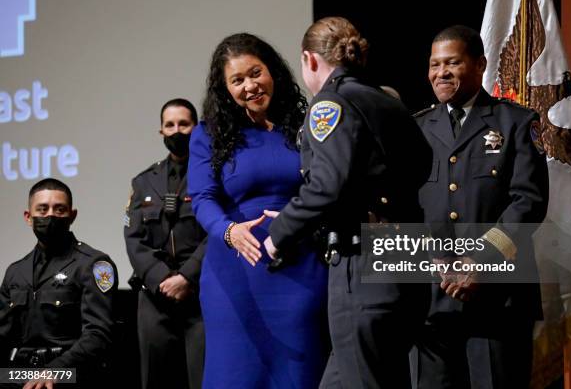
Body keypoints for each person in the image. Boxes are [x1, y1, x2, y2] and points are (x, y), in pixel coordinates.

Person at [263, 17, 433, 389]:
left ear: (309, 60)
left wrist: (280, 233)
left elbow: (328, 185)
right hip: (407, 257)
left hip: (364, 263)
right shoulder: (387, 102)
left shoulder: (330, 103)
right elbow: (419, 167)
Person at [187, 33, 329, 389]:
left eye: (255, 73)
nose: (250, 86)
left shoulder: (307, 124)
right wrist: (229, 231)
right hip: (234, 274)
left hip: (302, 270)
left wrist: (303, 221)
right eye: (237, 80)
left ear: (273, 72)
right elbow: (203, 197)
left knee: (299, 373)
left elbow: (328, 188)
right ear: (225, 89)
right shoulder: (208, 134)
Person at [412, 25, 549, 389]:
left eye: (452, 62)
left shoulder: (516, 122)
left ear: (480, 65)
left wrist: (480, 262)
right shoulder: (417, 128)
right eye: (434, 64)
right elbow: (406, 206)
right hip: (431, 296)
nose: (441, 72)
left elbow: (529, 202)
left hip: (497, 298)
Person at [0, 178, 117, 389]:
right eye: (42, 210)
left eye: (59, 209)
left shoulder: (94, 265)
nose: (51, 215)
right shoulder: (15, 272)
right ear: (28, 217)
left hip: (69, 373)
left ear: (72, 216)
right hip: (20, 374)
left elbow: (98, 335)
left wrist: (56, 370)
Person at [124, 98, 206, 389]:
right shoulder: (143, 182)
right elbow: (133, 238)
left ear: (196, 128)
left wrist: (187, 277)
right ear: (160, 131)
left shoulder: (213, 174)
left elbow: (217, 232)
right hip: (155, 296)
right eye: (169, 125)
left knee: (204, 377)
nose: (176, 131)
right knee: (157, 380)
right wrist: (162, 279)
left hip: (200, 292)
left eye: (183, 124)